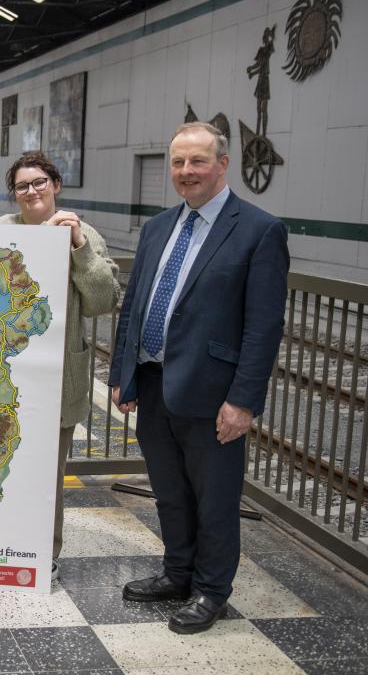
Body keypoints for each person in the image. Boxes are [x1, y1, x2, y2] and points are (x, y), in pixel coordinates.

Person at [109, 122, 288, 634]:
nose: (187, 172)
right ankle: (177, 572)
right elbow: (134, 307)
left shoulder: (258, 230)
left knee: (214, 500)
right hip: (155, 384)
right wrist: (124, 374)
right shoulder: (158, 227)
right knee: (169, 492)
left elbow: (263, 327)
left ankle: (211, 590)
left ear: (223, 165)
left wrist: (244, 402)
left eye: (198, 162)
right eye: (179, 163)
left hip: (213, 396)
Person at [0, 152, 120, 582]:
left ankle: (44, 553)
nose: (32, 191)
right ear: (14, 193)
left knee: (47, 471)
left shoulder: (82, 234)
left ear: (56, 185)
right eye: (22, 185)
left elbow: (103, 300)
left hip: (57, 376)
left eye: (40, 182)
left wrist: (79, 248)